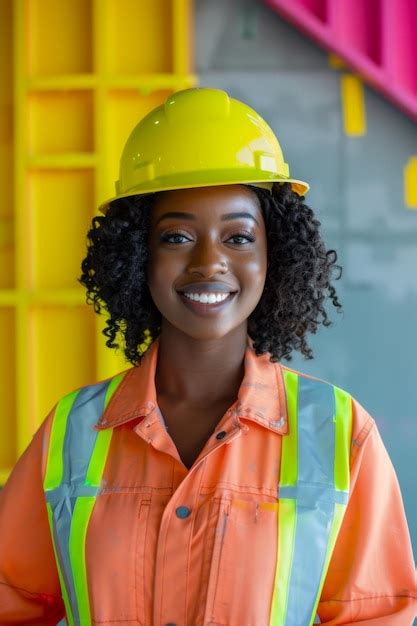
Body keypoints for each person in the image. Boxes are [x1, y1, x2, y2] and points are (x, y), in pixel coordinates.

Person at [0, 87, 415, 626]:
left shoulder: (339, 433)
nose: (209, 261)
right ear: (137, 254)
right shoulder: (71, 434)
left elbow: (376, 616)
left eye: (238, 237)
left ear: (275, 255)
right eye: (176, 236)